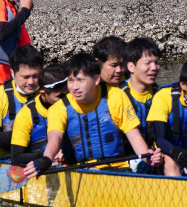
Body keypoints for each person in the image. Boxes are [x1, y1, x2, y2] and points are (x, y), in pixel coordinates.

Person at [23, 53, 161, 178]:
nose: (74, 87)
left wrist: (149, 157)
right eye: (70, 80)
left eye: (80, 80)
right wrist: (46, 159)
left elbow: (134, 136)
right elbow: (54, 138)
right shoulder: (59, 108)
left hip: (117, 170)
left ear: (96, 79)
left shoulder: (116, 96)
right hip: (77, 171)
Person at [0, 45, 44, 157]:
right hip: (7, 159)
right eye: (25, 77)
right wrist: (31, 135)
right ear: (12, 73)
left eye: (36, 76)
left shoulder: (48, 93)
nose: (31, 82)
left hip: (43, 157)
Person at [10, 64, 68, 166]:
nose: (66, 101)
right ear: (43, 93)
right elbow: (16, 158)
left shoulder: (74, 102)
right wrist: (47, 155)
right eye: (61, 97)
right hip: (46, 167)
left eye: (67, 96)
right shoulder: (25, 115)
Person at [119, 37, 161, 147]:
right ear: (131, 67)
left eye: (156, 62)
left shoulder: (160, 94)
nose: (154, 68)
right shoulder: (118, 94)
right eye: (148, 63)